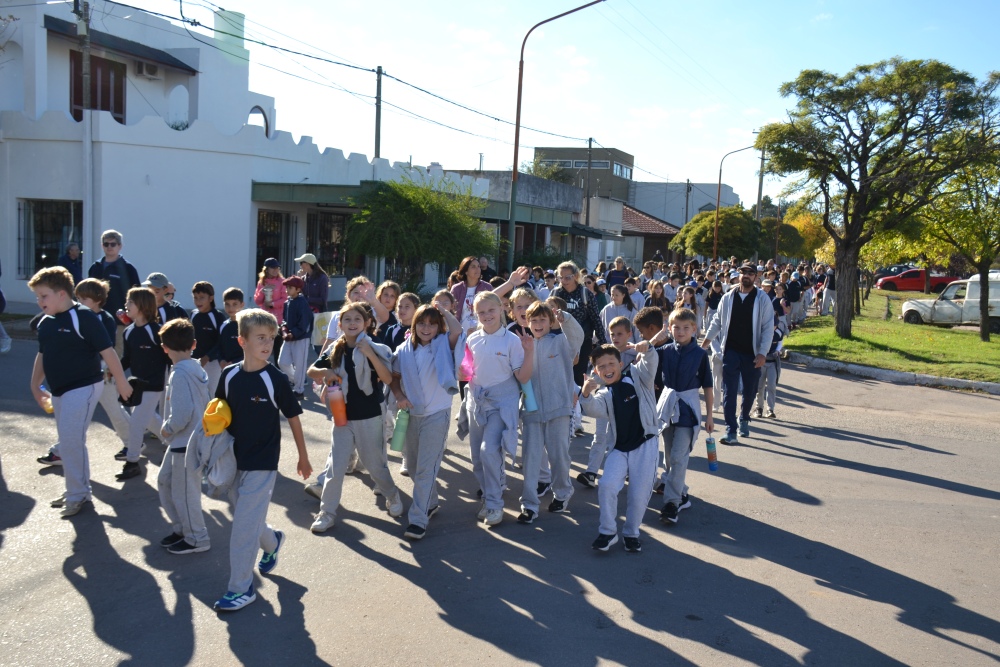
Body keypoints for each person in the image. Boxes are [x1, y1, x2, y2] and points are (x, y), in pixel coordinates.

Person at [212, 309, 311, 612]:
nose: (267, 344)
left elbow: (293, 417)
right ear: (242, 340)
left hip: (263, 462)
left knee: (242, 527)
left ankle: (241, 589)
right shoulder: (229, 375)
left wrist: (303, 457)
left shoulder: (275, 379)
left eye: (271, 338)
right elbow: (218, 413)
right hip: (233, 461)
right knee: (248, 517)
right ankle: (272, 541)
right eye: (260, 338)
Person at [29, 266, 132, 517]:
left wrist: (121, 382)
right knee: (69, 440)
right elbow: (42, 355)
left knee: (71, 439)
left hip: (85, 387)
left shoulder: (84, 317)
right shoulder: (46, 321)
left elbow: (108, 352)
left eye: (44, 296)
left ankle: (77, 494)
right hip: (59, 390)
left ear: (62, 294)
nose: (39, 301)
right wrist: (35, 387)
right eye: (38, 296)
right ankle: (79, 491)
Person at [306, 303, 402, 533]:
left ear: (367, 323)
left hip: (369, 415)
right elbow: (311, 370)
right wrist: (326, 372)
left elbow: (388, 378)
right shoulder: (335, 350)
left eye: (357, 319)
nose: (352, 323)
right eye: (347, 319)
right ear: (340, 325)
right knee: (335, 467)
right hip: (342, 416)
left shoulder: (375, 348)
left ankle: (392, 495)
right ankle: (327, 512)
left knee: (374, 465)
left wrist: (369, 354)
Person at [37, 278, 134, 467]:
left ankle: (133, 443)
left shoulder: (104, 319)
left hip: (102, 374)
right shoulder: (69, 315)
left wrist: (115, 375)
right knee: (71, 421)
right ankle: (60, 451)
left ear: (97, 300)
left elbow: (108, 349)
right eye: (78, 298)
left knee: (114, 411)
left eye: (84, 299)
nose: (80, 303)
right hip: (81, 379)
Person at [389, 303, 462, 540]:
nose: (426, 328)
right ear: (414, 324)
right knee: (411, 467)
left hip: (436, 415)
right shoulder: (403, 350)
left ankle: (418, 519)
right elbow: (394, 377)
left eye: (432, 324)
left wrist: (444, 311)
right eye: (421, 323)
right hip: (411, 415)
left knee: (425, 470)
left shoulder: (442, 345)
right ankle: (430, 503)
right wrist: (399, 395)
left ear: (438, 325)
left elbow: (457, 330)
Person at [580, 340, 659, 553]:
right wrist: (585, 394)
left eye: (611, 363)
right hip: (620, 449)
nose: (607, 369)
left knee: (639, 494)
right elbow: (594, 409)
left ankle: (631, 533)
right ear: (596, 370)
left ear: (620, 363)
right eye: (601, 366)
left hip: (646, 445)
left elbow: (651, 363)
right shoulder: (605, 394)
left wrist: (648, 349)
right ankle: (608, 531)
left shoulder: (638, 377)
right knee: (606, 485)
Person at [465, 292, 534, 527]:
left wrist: (530, 352)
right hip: (477, 402)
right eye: (481, 312)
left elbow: (522, 377)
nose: (486, 315)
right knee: (477, 458)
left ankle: (495, 504)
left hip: (501, 404)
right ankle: (489, 493)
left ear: (502, 310)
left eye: (491, 310)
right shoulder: (472, 340)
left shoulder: (512, 341)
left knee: (488, 450)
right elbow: (466, 373)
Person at [516, 301, 583, 523]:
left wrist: (565, 318)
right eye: (533, 319)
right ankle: (529, 504)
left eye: (542, 319)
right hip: (532, 413)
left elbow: (578, 336)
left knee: (559, 456)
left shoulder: (561, 343)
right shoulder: (523, 345)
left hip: (559, 410)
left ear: (551, 321)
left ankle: (563, 493)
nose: (537, 324)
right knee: (531, 458)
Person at [701, 264, 776, 445]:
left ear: (756, 277)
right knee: (730, 390)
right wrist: (705, 343)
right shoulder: (727, 298)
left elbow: (767, 328)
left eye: (751, 273)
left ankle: (744, 419)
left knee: (750, 390)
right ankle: (731, 429)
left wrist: (762, 353)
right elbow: (717, 321)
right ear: (739, 275)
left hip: (752, 353)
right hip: (731, 351)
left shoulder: (762, 299)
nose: (747, 276)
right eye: (744, 273)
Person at [156, 318, 212, 554]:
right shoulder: (196, 368)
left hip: (185, 443)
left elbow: (182, 414)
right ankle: (182, 528)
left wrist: (167, 428)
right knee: (165, 481)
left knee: (184, 493)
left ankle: (197, 537)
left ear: (164, 348)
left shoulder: (179, 374)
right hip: (188, 441)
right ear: (194, 344)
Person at [656, 308, 714, 526]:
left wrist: (709, 416)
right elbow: (644, 361)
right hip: (667, 408)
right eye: (676, 327)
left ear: (694, 329)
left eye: (685, 328)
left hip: (688, 412)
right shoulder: (664, 350)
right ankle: (682, 492)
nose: (680, 331)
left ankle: (672, 503)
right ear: (669, 329)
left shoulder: (700, 354)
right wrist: (654, 342)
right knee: (670, 458)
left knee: (680, 457)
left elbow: (708, 386)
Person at [577, 317, 637, 490]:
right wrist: (589, 385)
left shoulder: (636, 354)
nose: (616, 337)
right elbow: (596, 375)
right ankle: (591, 472)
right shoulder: (604, 352)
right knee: (600, 436)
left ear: (629, 334)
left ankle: (639, 475)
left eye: (620, 334)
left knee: (625, 439)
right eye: (612, 334)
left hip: (627, 406)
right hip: (605, 401)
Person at [117, 287, 170, 481]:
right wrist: (113, 371)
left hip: (154, 384)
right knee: (149, 420)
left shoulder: (156, 331)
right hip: (137, 385)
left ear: (142, 306)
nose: (126, 306)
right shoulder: (129, 332)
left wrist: (174, 378)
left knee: (137, 423)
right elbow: (127, 359)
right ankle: (175, 444)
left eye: (130, 302)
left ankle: (132, 462)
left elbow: (169, 357)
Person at [552, 261, 607, 386]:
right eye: (561, 277)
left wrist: (603, 343)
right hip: (560, 340)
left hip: (582, 341)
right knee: (560, 375)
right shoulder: (556, 293)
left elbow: (595, 319)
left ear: (576, 276)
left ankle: (578, 403)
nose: (564, 280)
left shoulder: (585, 293)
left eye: (567, 277)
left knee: (578, 375)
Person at [87, 230, 141, 350]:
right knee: (94, 353)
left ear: (120, 246)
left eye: (113, 244)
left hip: (120, 320)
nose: (109, 247)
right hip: (96, 319)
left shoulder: (128, 268)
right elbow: (87, 293)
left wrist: (133, 316)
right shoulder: (95, 267)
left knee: (117, 355)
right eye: (106, 244)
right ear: (102, 246)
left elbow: (137, 295)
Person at [451, 257, 527, 334]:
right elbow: (451, 312)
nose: (477, 269)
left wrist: (510, 283)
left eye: (478, 266)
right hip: (460, 334)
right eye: (473, 266)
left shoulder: (486, 286)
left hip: (481, 333)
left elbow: (492, 298)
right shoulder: (457, 289)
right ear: (466, 271)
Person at [277, 276, 313, 398]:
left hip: (301, 339)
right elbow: (284, 321)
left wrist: (293, 334)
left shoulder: (302, 303)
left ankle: (299, 390)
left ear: (298, 289)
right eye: (287, 287)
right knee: (282, 362)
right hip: (289, 338)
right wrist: (283, 329)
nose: (287, 290)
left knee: (300, 365)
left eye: (290, 287)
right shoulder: (287, 302)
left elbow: (304, 324)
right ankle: (298, 380)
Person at [190, 281, 225, 396]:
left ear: (211, 298)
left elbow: (221, 341)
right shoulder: (193, 314)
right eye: (195, 298)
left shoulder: (218, 316)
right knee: (196, 392)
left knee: (213, 392)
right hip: (195, 361)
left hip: (213, 362)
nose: (198, 301)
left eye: (201, 298)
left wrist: (208, 357)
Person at [254, 258, 287, 361]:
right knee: (264, 347)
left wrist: (272, 304)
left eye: (277, 267)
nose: (275, 270)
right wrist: (262, 291)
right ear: (266, 269)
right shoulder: (262, 282)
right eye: (273, 267)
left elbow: (285, 299)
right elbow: (257, 301)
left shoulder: (282, 282)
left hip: (278, 320)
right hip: (265, 319)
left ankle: (278, 371)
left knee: (278, 348)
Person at [213, 287, 245, 371]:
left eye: (234, 304)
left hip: (244, 369)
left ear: (242, 304)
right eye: (227, 304)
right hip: (226, 369)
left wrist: (235, 362)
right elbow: (219, 347)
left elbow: (252, 350)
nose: (231, 308)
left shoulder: (247, 326)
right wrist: (221, 361)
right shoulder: (224, 325)